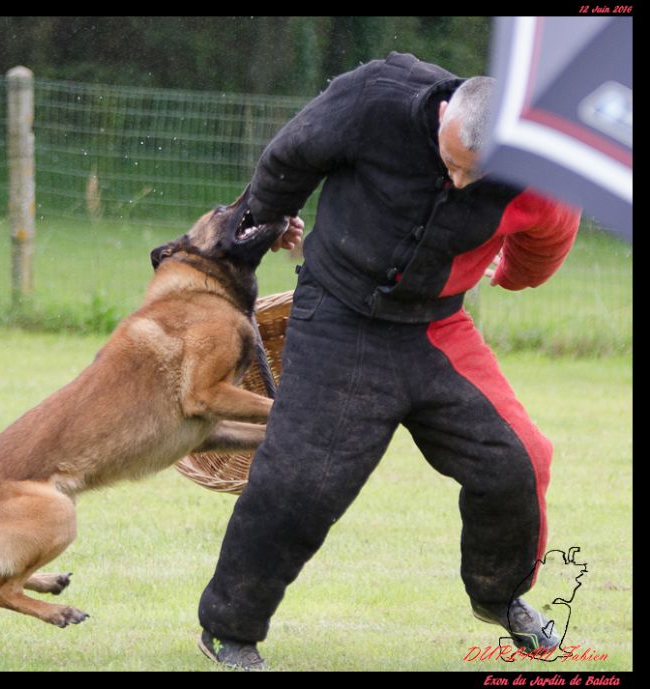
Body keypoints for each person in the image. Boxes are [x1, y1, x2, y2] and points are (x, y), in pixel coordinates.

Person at [196, 52, 581, 670]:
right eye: (451, 164)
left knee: (519, 460)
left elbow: (547, 242)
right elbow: (289, 158)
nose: (457, 183)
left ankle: (499, 594)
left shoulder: (540, 174)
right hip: (339, 313)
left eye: (474, 177)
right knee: (301, 482)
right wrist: (254, 236)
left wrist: (507, 277)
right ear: (443, 115)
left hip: (437, 330)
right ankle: (230, 627)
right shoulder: (376, 97)